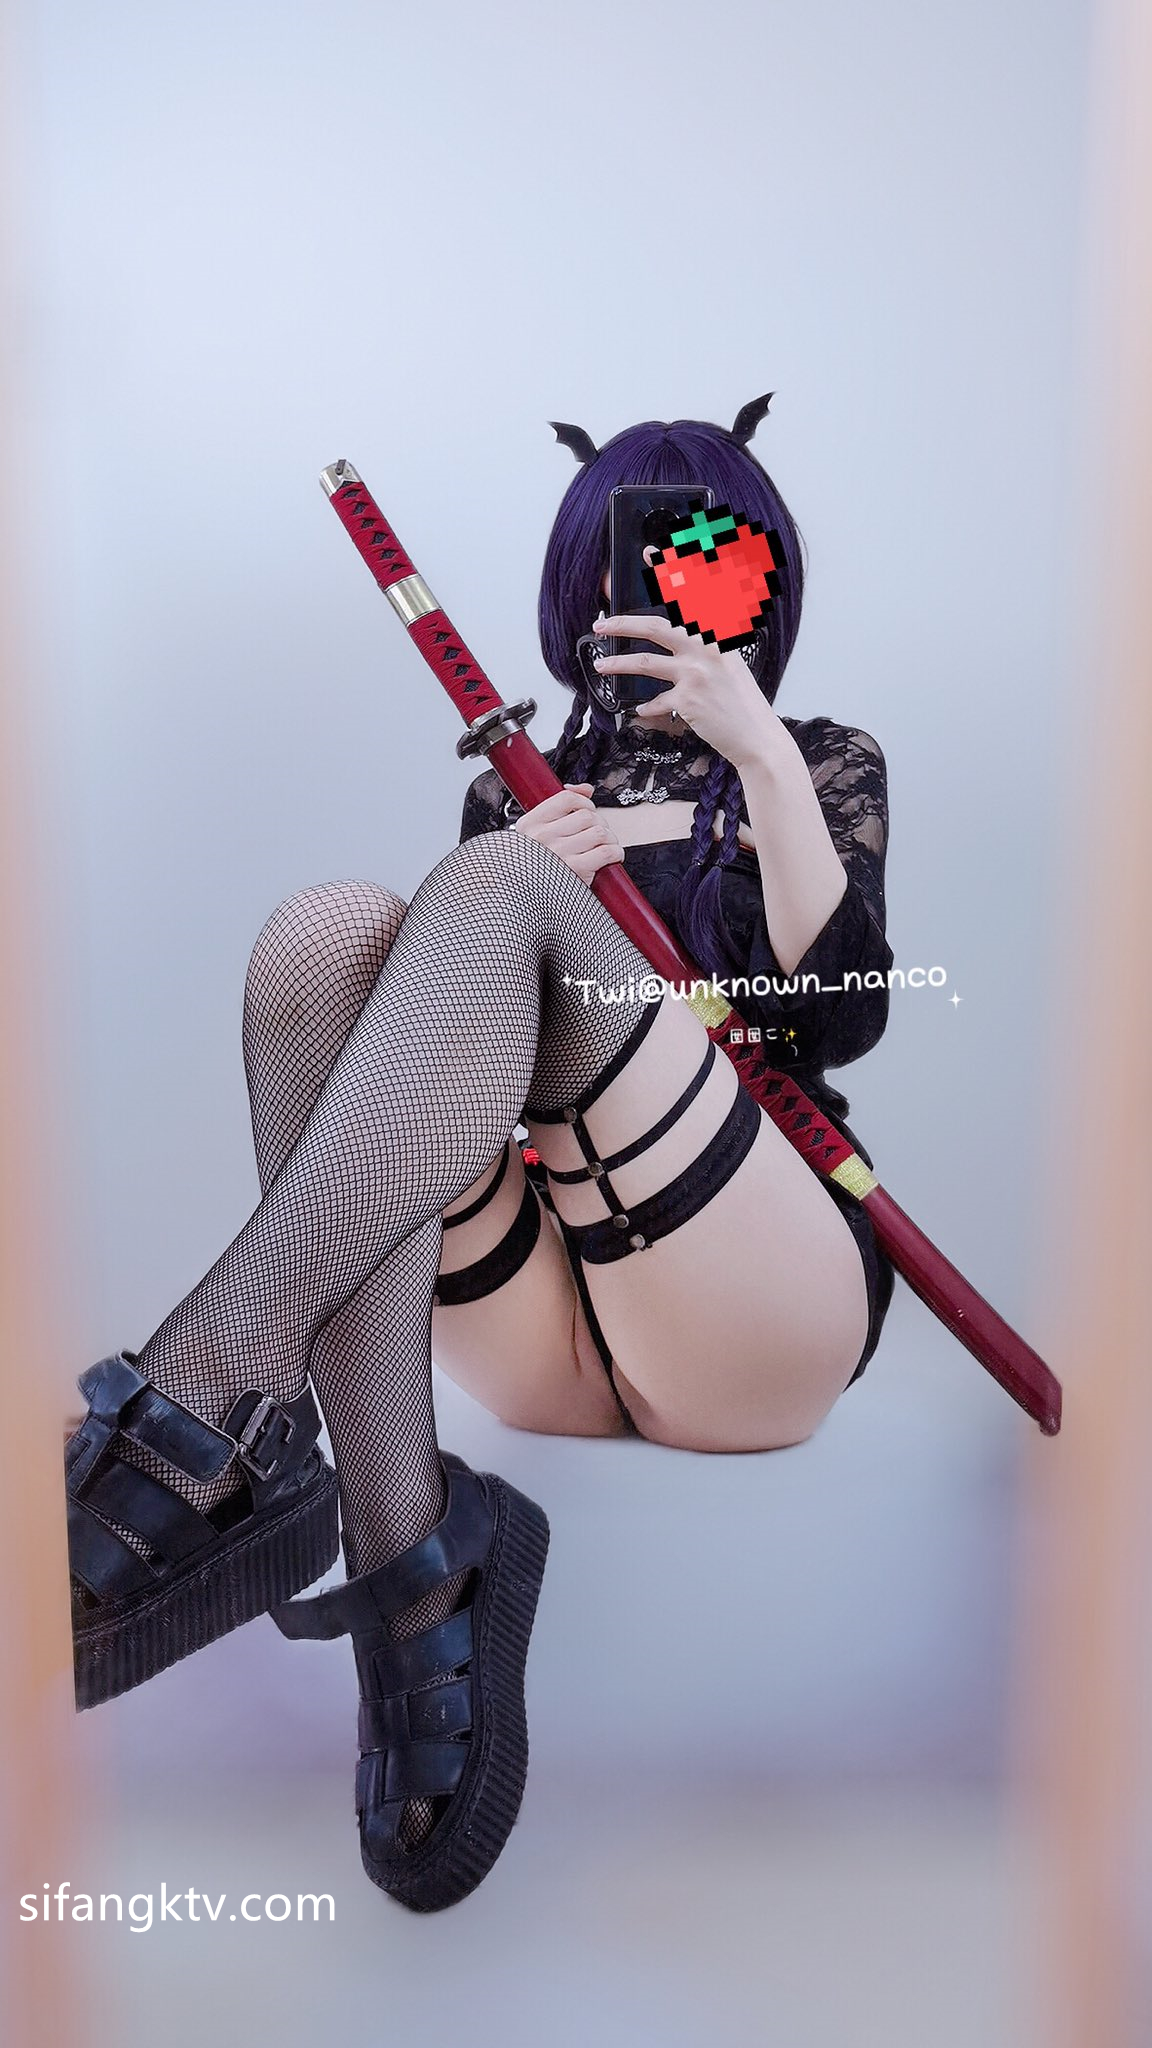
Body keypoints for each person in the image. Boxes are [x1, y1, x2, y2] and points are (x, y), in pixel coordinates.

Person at [63, 400, 895, 1915]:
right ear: (578, 586)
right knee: (324, 938)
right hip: (553, 1324)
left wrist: (761, 757)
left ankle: (200, 1403)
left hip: (754, 1301)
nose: (659, 599)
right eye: (628, 567)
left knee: (492, 889)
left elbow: (835, 1017)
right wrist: (509, 882)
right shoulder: (520, 790)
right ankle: (413, 1555)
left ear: (762, 585)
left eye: (710, 565)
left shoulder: (822, 761)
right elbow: (445, 1090)